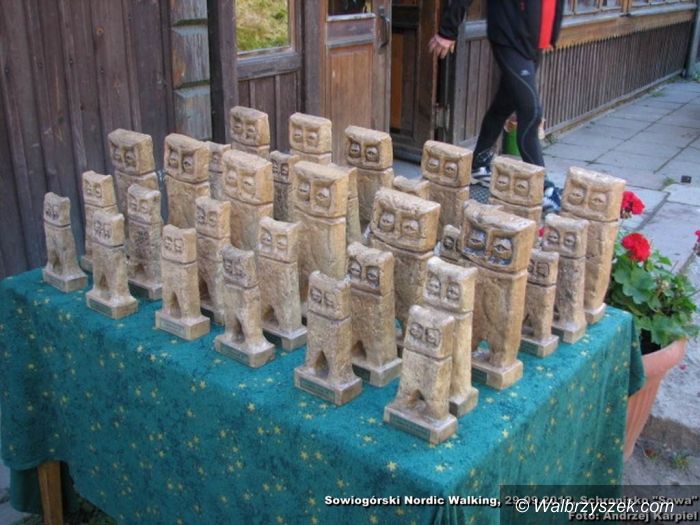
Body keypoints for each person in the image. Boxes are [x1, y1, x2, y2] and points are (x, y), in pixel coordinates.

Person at [428, 0, 565, 213]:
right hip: (510, 35)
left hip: (534, 42)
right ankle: (543, 190)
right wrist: (447, 30)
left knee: (503, 104)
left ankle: (478, 163)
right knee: (531, 113)